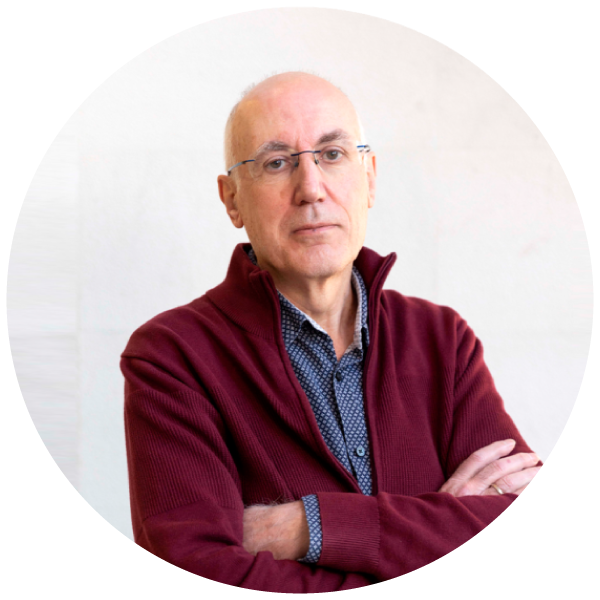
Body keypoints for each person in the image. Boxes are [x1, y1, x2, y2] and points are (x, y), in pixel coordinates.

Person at [121, 72, 541, 591]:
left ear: (369, 177)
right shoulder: (171, 357)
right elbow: (199, 567)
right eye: (277, 163)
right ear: (232, 200)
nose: (311, 189)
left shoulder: (442, 340)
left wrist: (305, 525)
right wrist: (435, 526)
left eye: (333, 154)